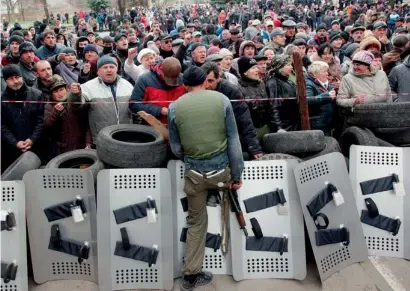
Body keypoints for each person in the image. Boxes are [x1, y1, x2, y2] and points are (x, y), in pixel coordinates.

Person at [167, 66, 244, 291]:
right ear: (205, 82)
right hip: (222, 173)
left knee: (196, 222)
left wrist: (191, 158)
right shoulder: (222, 100)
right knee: (229, 211)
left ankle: (190, 276)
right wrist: (236, 174)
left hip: (194, 174)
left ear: (185, 85)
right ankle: (235, 264)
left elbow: (175, 147)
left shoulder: (174, 107)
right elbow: (233, 141)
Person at [201, 61, 263, 158]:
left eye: (210, 81)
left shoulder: (231, 90)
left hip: (229, 134)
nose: (206, 85)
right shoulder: (196, 89)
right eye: (203, 81)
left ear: (218, 78)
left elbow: (244, 119)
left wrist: (254, 148)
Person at [69, 55, 134, 143]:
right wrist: (75, 94)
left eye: (112, 67)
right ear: (98, 71)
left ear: (117, 69)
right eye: (105, 67)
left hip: (126, 135)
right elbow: (76, 106)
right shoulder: (88, 86)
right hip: (102, 138)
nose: (109, 70)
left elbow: (135, 107)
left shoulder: (127, 85)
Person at [1, 64, 44, 171]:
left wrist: (32, 139)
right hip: (11, 149)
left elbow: (41, 120)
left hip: (36, 145)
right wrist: (15, 142)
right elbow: (2, 125)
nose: (15, 81)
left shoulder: (36, 94)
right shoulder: (2, 99)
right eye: (11, 79)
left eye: (17, 77)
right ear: (6, 81)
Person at [129, 57, 185, 124]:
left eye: (175, 78)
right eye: (169, 78)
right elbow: (134, 105)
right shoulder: (144, 80)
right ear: (161, 71)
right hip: (153, 128)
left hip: (178, 124)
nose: (171, 82)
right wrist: (159, 110)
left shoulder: (182, 79)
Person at [44, 76, 91, 155]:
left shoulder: (75, 102)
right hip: (63, 149)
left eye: (61, 89)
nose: (60, 94)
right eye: (56, 91)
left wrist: (88, 143)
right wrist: (55, 112)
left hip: (82, 145)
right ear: (51, 95)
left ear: (67, 89)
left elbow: (87, 124)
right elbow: (47, 124)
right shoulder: (49, 106)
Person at [237, 57, 270, 140]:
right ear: (245, 72)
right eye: (253, 68)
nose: (257, 70)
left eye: (256, 67)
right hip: (250, 128)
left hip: (265, 125)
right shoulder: (238, 88)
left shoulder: (261, 83)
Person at [265, 55, 299, 132]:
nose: (291, 67)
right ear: (279, 67)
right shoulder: (273, 83)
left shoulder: (289, 82)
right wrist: (279, 127)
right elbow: (273, 107)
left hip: (294, 123)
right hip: (284, 126)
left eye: (291, 64)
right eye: (288, 65)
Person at [305, 61, 335, 135]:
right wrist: (327, 96)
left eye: (327, 71)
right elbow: (308, 100)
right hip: (317, 124)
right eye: (324, 72)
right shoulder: (308, 84)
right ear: (315, 74)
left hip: (326, 122)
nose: (327, 74)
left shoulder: (325, 83)